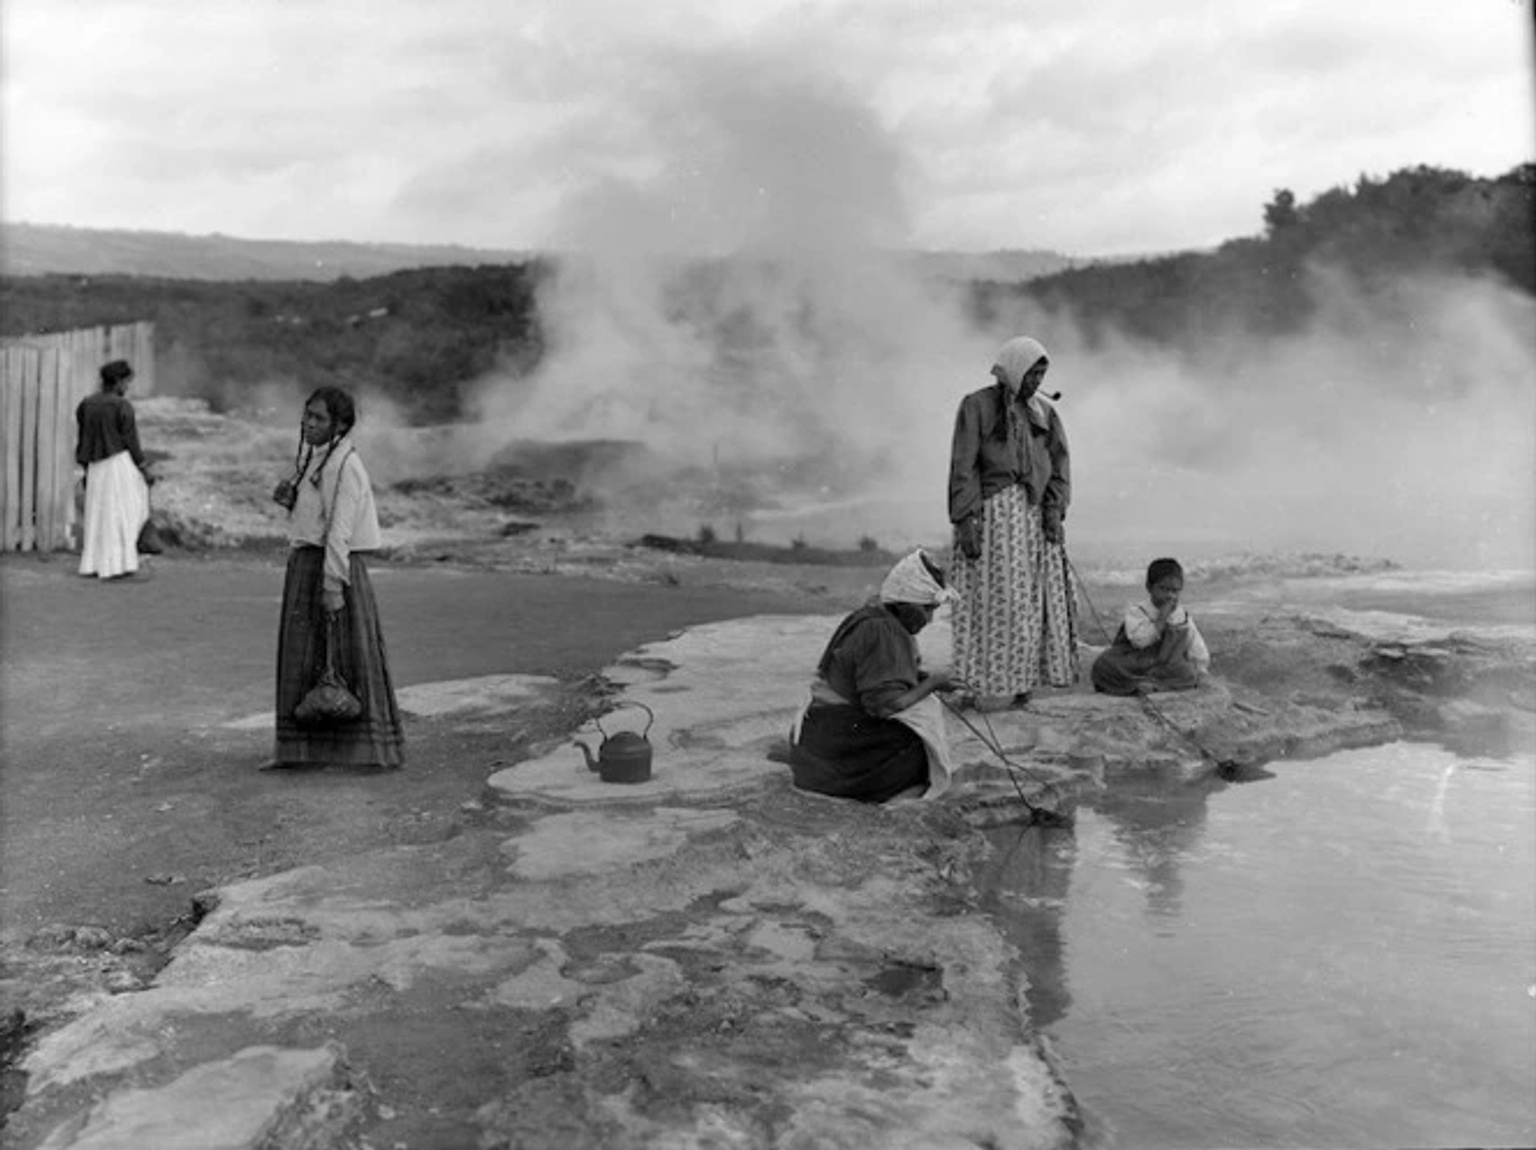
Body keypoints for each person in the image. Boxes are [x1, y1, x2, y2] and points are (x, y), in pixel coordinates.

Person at [271, 387, 404, 769]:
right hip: (308, 566)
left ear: (340, 425)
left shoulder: (345, 466)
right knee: (307, 662)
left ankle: (358, 753)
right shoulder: (318, 459)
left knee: (345, 662)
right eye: (307, 416)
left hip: (332, 570)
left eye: (320, 419)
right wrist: (294, 501)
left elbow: (340, 531)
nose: (309, 424)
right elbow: (317, 519)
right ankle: (303, 753)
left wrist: (332, 585)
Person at [948, 336, 1078, 710]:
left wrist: (1054, 509)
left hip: (1032, 517)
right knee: (993, 600)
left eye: (1042, 374)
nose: (1036, 381)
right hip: (992, 518)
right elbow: (964, 466)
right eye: (1032, 372)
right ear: (1014, 368)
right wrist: (966, 518)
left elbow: (1059, 465)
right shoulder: (977, 407)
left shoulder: (1044, 414)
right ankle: (985, 683)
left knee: (1028, 602)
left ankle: (1021, 681)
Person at [787, 550, 959, 803]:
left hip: (818, 739)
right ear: (906, 604)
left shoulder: (872, 615)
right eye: (927, 610)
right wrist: (933, 683)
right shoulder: (883, 630)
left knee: (923, 720)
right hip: (834, 746)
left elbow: (875, 672)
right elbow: (885, 705)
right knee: (917, 747)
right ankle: (886, 793)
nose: (930, 620)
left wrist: (922, 678)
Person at [75, 359, 153, 580]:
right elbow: (131, 441)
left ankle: (95, 564)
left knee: (99, 514)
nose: (127, 387)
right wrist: (144, 469)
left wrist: (85, 468)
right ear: (118, 381)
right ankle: (120, 564)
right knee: (125, 512)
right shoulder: (122, 406)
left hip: (96, 466)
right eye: (126, 382)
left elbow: (83, 440)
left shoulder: (86, 404)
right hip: (118, 464)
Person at [1090, 557, 1211, 696]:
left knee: (1187, 673)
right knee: (1104, 664)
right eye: (1164, 589)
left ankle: (1154, 686)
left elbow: (1195, 645)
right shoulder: (1138, 611)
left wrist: (1201, 670)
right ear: (1149, 587)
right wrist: (1161, 620)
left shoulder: (1182, 616)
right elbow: (1139, 641)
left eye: (1175, 591)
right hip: (1135, 663)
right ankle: (1140, 684)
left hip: (1166, 665)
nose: (1170, 596)